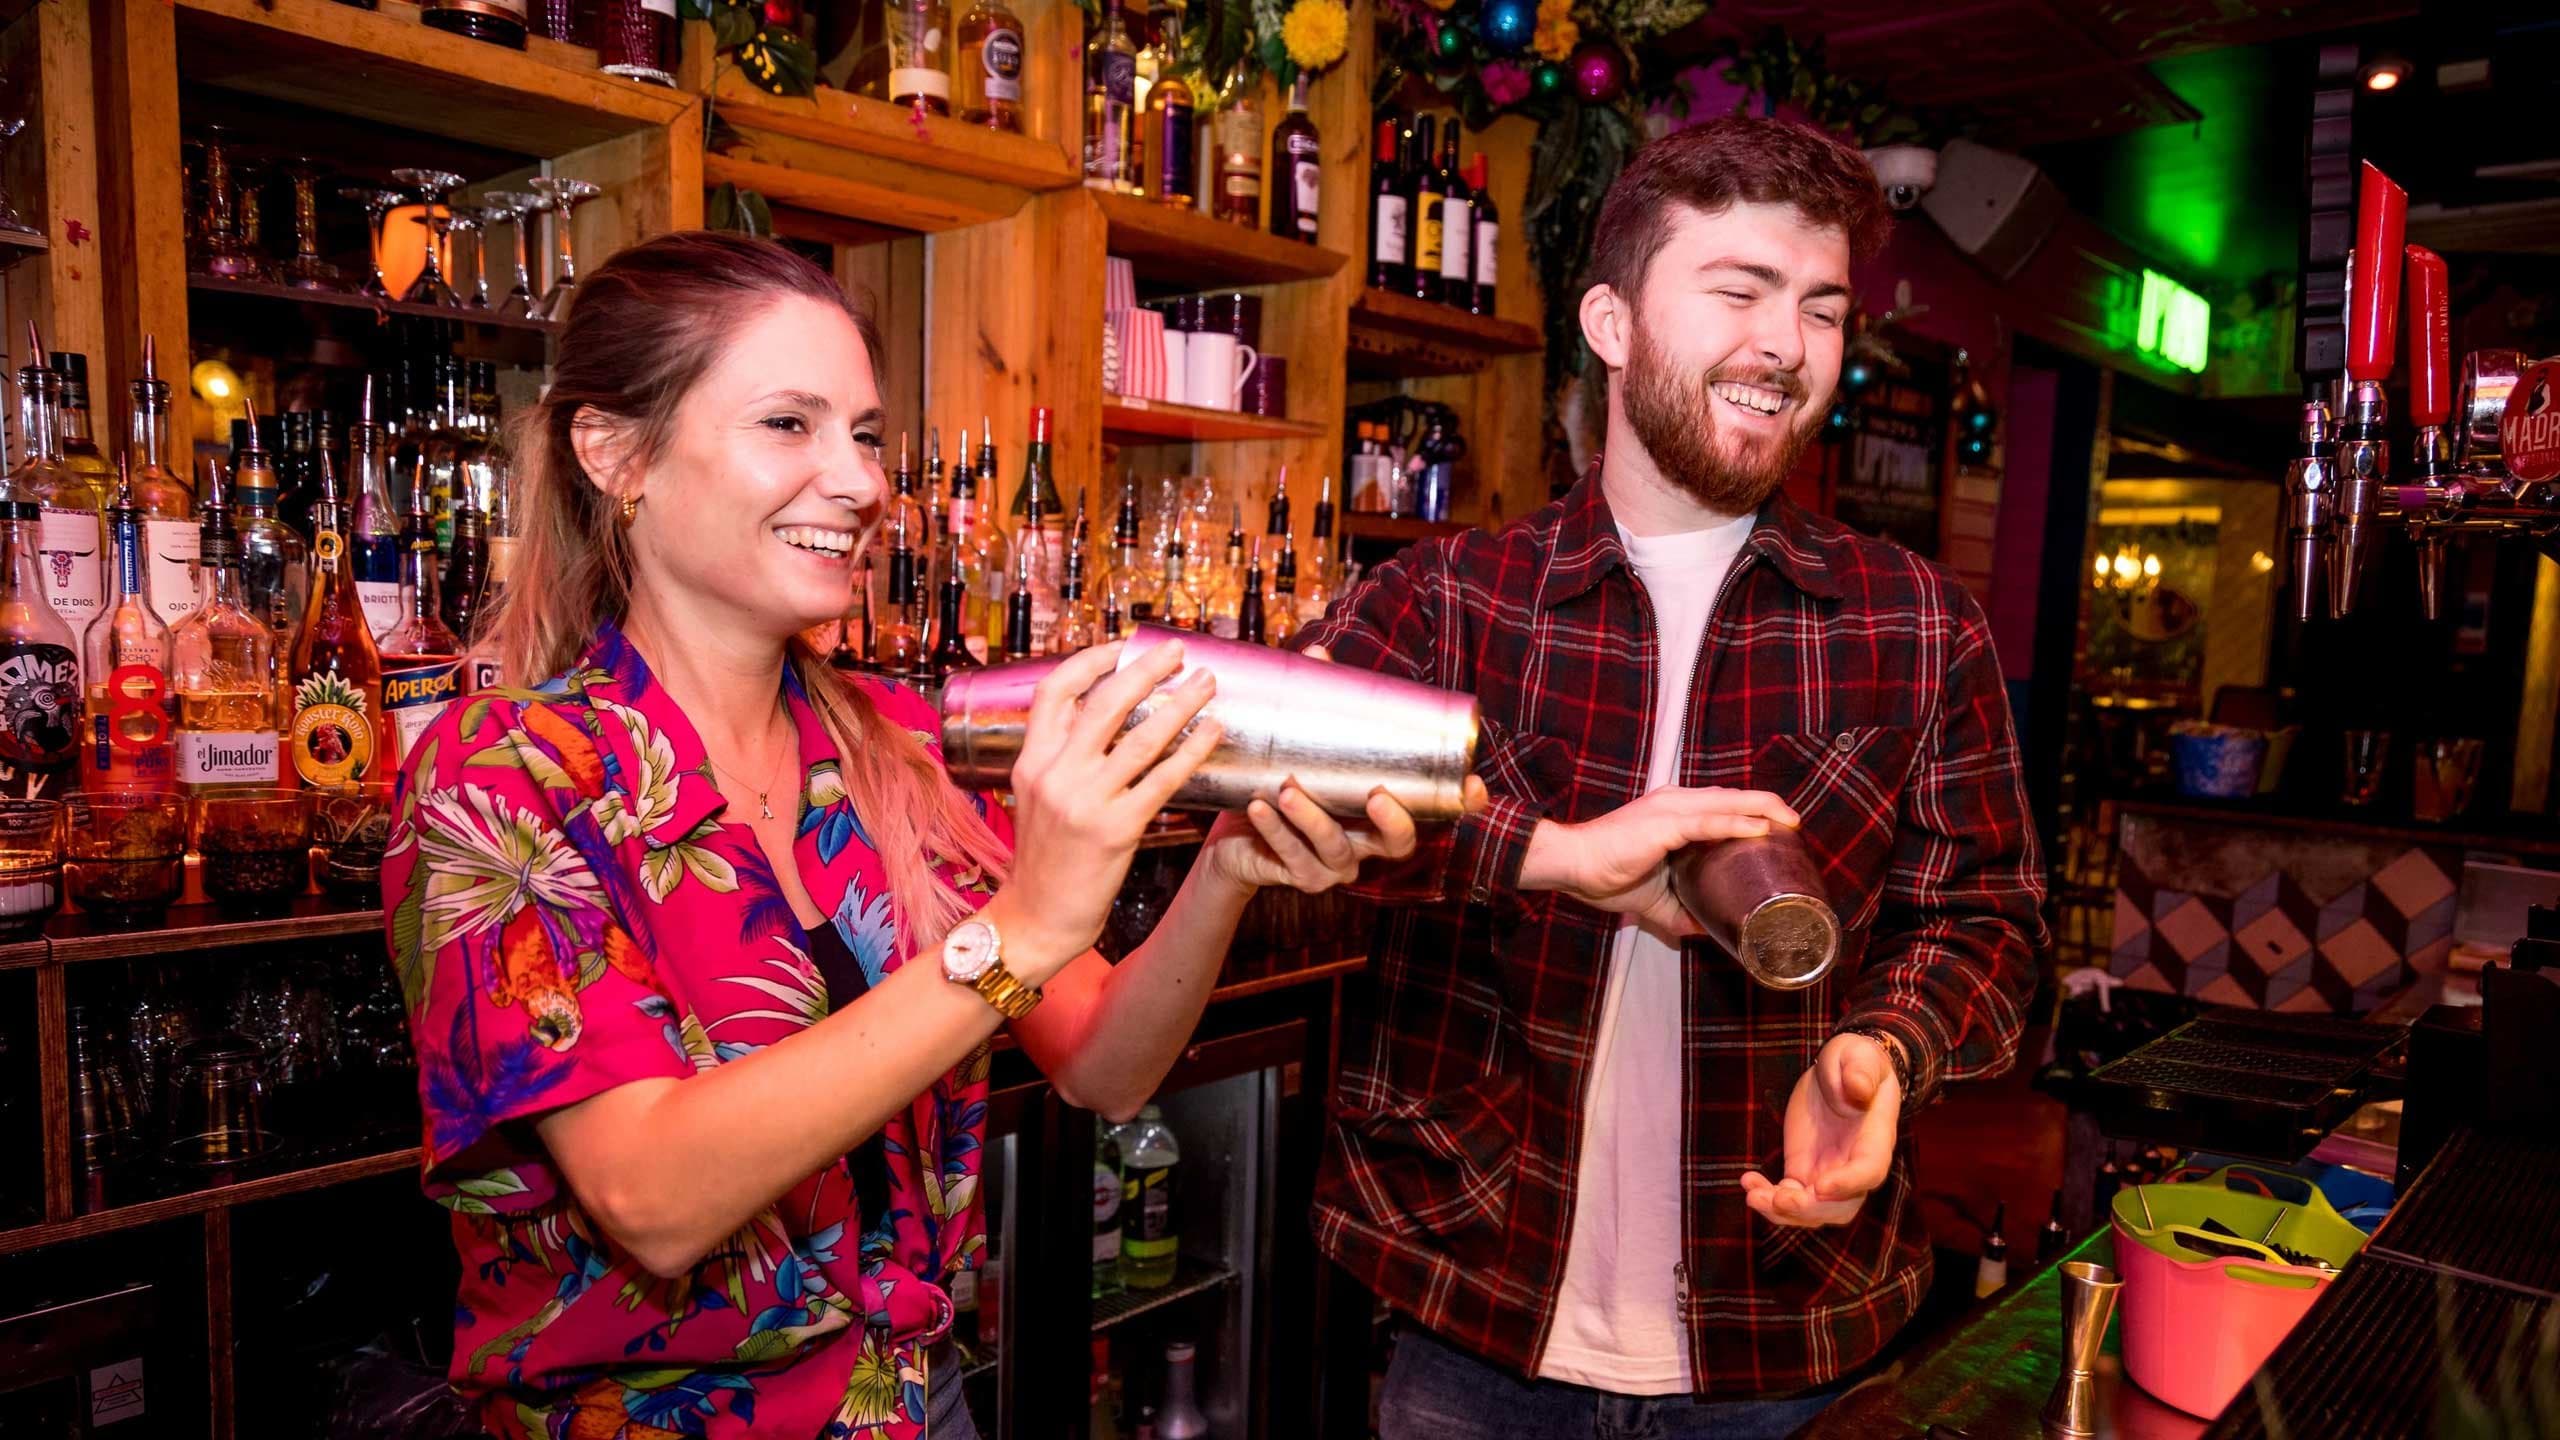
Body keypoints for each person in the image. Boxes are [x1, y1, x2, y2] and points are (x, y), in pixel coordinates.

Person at [383, 232, 1415, 1440]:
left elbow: (1102, 1061)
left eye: (865, 435)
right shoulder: (501, 775)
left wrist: (1227, 874)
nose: (863, 483)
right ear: (617, 454)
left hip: (916, 1407)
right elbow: (651, 1196)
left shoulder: (889, 741)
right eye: (789, 425)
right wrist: (1025, 924)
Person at [1297, 117, 2047, 1438]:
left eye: (1820, 309)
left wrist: (1882, 1047)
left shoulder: (1918, 624)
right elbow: (1263, 787)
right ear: (1611, 321)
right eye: (1738, 292)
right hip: (1474, 1318)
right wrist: (1539, 852)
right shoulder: (1454, 601)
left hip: (1785, 1330)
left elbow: (1985, 920)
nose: (1785, 346)